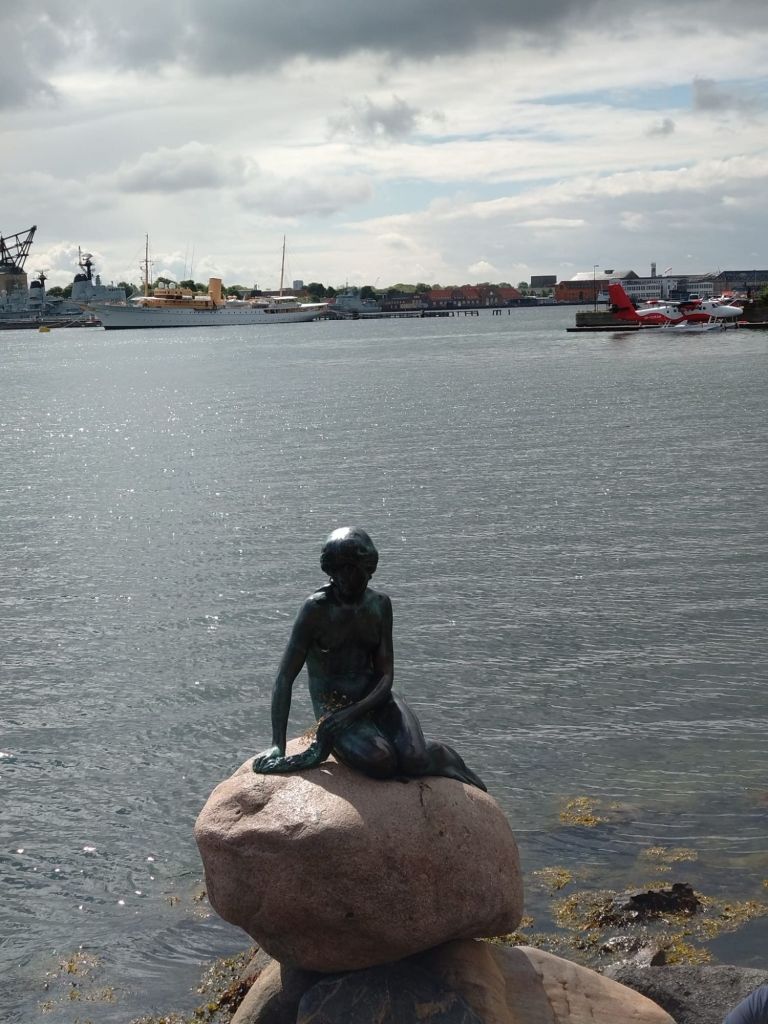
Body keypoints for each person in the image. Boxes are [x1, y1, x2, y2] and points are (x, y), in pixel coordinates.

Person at [252, 527, 486, 791]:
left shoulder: (379, 605)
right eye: (343, 570)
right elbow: (284, 677)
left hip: (377, 698)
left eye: (357, 569)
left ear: (369, 569)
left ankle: (444, 759)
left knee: (415, 758)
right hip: (335, 710)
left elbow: (385, 675)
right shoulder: (315, 610)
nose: (350, 577)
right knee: (382, 761)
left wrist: (357, 710)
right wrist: (278, 744)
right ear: (331, 570)